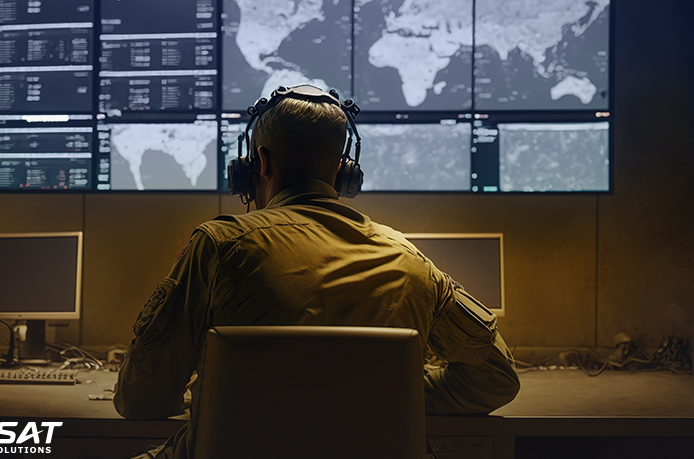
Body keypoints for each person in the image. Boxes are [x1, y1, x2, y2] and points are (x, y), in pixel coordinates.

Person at [114, 85, 520, 458]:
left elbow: (139, 399)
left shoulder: (219, 246)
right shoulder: (409, 260)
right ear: (344, 173)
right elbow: (496, 379)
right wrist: (382, 393)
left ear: (259, 163)